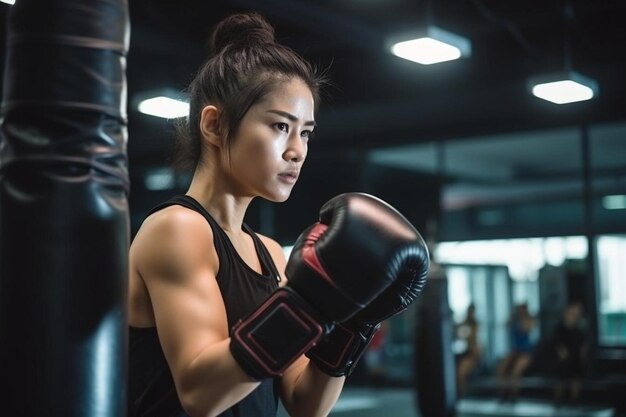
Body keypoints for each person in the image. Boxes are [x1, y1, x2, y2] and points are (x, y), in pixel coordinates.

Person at [127, 12, 430, 417]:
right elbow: (200, 394)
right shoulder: (177, 229)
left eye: (305, 132)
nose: (297, 150)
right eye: (280, 127)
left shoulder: (269, 251)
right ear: (215, 126)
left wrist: (356, 321)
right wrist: (310, 304)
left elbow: (306, 404)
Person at [496, 302, 535, 401]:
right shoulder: (514, 318)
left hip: (526, 351)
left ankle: (514, 396)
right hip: (515, 350)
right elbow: (505, 325)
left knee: (515, 372)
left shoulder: (528, 319)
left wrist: (522, 318)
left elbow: (526, 329)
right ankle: (503, 394)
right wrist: (512, 314)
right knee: (501, 369)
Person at [552, 301, 588, 406]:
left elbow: (584, 341)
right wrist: (561, 351)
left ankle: (574, 400)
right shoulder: (560, 326)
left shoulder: (580, 325)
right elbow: (556, 341)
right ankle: (558, 399)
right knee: (561, 378)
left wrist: (582, 353)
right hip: (564, 356)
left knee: (576, 378)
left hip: (576, 355)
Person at [456, 304, 482, 397]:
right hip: (467, 352)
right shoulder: (466, 323)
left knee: (461, 374)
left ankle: (463, 394)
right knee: (460, 375)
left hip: (472, 353)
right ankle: (462, 394)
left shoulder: (474, 324)